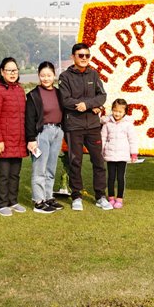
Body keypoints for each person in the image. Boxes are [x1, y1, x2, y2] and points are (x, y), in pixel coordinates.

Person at [59, 43, 112, 211]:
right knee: (75, 162)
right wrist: (80, 106)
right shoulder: (65, 77)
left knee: (98, 162)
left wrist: (87, 105)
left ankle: (100, 196)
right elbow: (65, 100)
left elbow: (102, 96)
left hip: (93, 126)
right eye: (80, 55)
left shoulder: (94, 74)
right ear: (73, 57)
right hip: (74, 126)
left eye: (87, 55)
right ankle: (76, 196)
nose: (84, 58)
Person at [0, 57, 27, 217]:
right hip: (3, 140)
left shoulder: (19, 89)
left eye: (15, 70)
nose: (12, 73)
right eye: (9, 70)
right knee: (3, 174)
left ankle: (13, 201)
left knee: (15, 174)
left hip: (18, 140)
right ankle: (2, 203)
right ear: (2, 72)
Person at [24, 61, 65, 214]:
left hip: (57, 131)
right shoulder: (34, 95)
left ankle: (48, 197)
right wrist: (31, 139)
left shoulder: (59, 93)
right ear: (39, 76)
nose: (46, 78)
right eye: (42, 75)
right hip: (42, 133)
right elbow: (29, 119)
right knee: (39, 168)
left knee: (51, 167)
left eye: (49, 75)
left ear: (54, 75)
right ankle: (38, 201)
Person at [101, 98, 139, 209]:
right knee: (111, 177)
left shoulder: (128, 125)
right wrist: (101, 151)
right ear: (112, 110)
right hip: (110, 154)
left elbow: (133, 139)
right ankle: (111, 198)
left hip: (122, 155)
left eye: (120, 111)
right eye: (115, 110)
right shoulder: (107, 123)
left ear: (124, 112)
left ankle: (119, 199)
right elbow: (103, 138)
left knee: (120, 177)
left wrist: (134, 153)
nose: (117, 113)